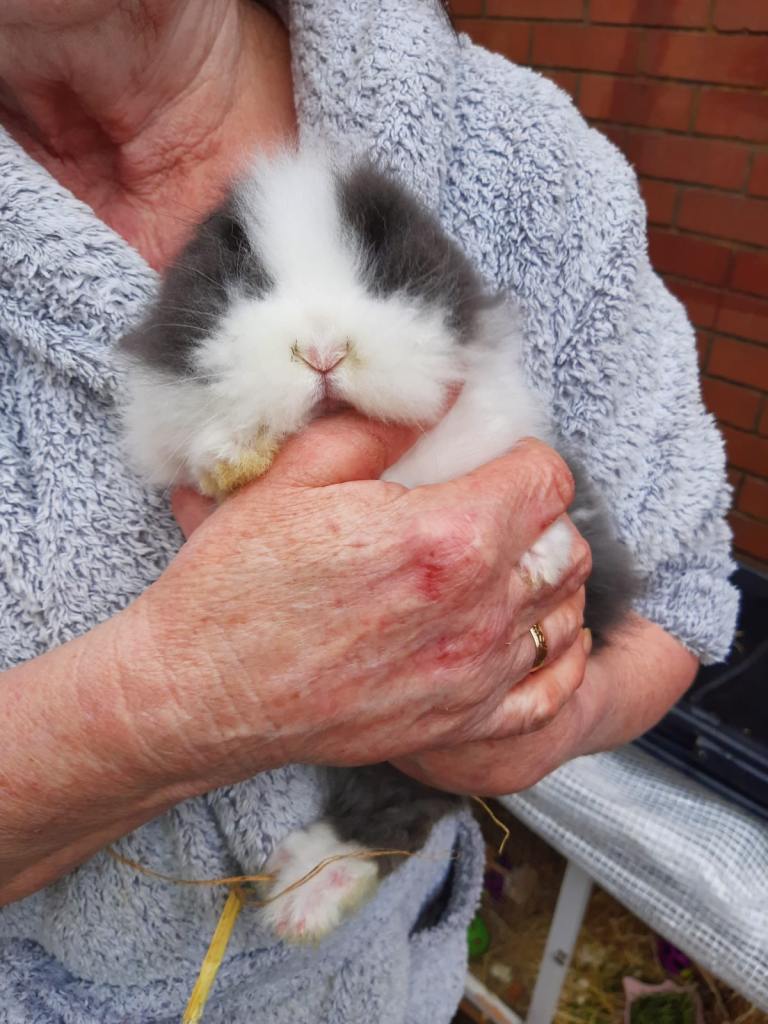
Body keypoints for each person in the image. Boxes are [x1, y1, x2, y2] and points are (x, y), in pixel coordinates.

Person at [0, 1, 736, 1021]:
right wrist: (179, 695)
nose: (319, 345)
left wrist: (530, 719)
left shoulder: (515, 155)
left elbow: (683, 590)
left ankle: (367, 830)